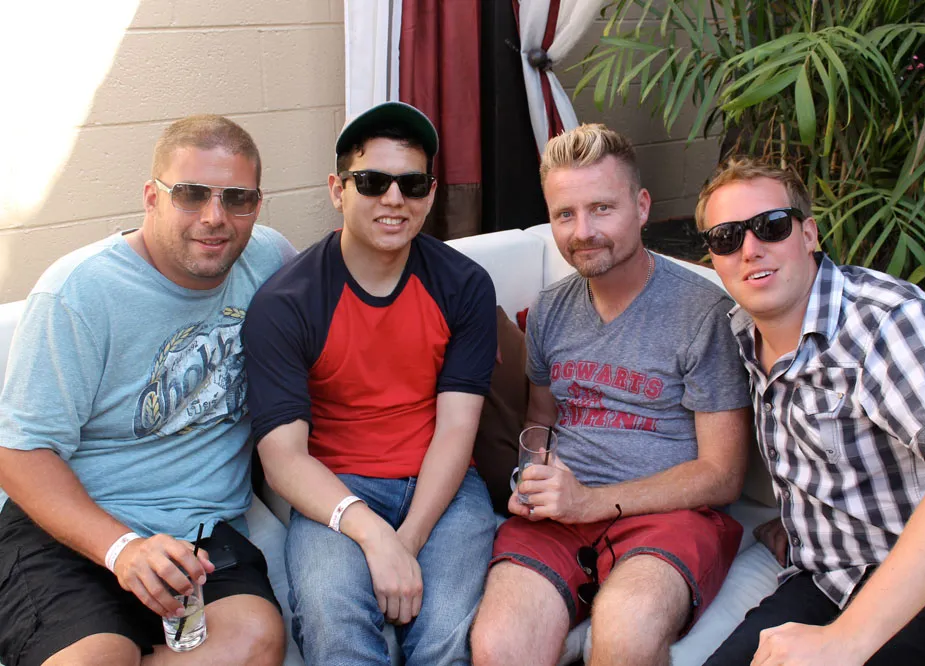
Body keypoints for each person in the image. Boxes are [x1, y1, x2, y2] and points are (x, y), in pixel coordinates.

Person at [0, 114, 296, 666]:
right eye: (191, 194)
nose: (215, 218)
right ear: (151, 197)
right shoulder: (79, 293)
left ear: (258, 205)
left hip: (199, 531)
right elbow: (19, 454)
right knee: (95, 657)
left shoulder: (269, 261)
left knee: (255, 640)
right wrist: (123, 549)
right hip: (72, 529)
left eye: (237, 198)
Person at [470, 123, 754, 666]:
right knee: (499, 646)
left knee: (626, 632)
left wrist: (591, 502)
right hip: (559, 519)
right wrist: (530, 479)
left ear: (641, 207)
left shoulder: (702, 314)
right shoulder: (551, 308)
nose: (584, 232)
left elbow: (723, 475)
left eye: (602, 208)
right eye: (565, 214)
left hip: (670, 516)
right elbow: (540, 423)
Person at [698, 158, 925, 665]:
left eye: (771, 226)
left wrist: (845, 641)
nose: (750, 249)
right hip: (827, 578)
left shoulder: (884, 322)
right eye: (727, 237)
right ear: (713, 257)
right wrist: (800, 522)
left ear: (809, 234)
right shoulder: (739, 333)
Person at [242, 101, 497, 664]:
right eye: (373, 181)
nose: (394, 198)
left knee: (447, 635)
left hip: (442, 485)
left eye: (412, 184)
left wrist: (408, 540)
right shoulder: (287, 303)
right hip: (335, 489)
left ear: (431, 194)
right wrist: (373, 535)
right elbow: (283, 459)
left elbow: (457, 429)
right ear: (338, 190)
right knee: (334, 625)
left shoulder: (464, 285)